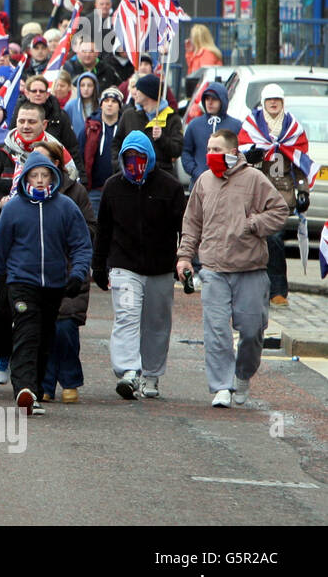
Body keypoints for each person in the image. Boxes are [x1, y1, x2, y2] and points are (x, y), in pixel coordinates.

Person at [176, 129, 289, 408]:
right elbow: (191, 224)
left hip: (250, 268)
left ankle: (242, 375)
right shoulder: (203, 181)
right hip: (214, 269)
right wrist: (184, 258)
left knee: (252, 331)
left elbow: (279, 212)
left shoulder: (254, 179)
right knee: (216, 331)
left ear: (232, 152)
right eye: (209, 149)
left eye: (217, 149)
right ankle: (222, 386)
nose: (211, 155)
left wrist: (253, 224)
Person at [0, 150, 92, 417]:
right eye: (35, 175)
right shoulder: (14, 208)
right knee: (26, 334)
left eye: (45, 175)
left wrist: (77, 274)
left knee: (44, 339)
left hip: (54, 285)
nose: (40, 180)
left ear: (53, 176)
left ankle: (37, 389)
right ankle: (24, 390)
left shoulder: (65, 207)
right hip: (21, 282)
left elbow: (81, 245)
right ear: (26, 177)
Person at [92, 130, 186, 401]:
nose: (134, 163)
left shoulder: (170, 187)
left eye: (140, 157)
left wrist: (185, 259)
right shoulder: (113, 186)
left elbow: (184, 228)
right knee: (127, 317)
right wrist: (99, 266)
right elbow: (104, 230)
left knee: (156, 323)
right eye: (129, 157)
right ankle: (128, 372)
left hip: (160, 267)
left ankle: (152, 374)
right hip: (125, 266)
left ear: (150, 157)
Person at [32, 141, 96, 405]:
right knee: (43, 328)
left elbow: (90, 229)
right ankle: (45, 383)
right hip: (39, 270)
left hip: (71, 269)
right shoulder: (26, 192)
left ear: (55, 165)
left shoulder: (75, 191)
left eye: (42, 162)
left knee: (65, 326)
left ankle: (70, 379)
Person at [239, 84, 314, 307]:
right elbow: (239, 157)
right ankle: (257, 289)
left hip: (283, 195)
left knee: (274, 239)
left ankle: (278, 290)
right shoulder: (251, 126)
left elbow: (301, 162)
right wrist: (249, 155)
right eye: (269, 99)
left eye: (277, 100)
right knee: (256, 241)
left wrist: (303, 191)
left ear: (283, 102)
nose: (273, 103)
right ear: (263, 102)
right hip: (257, 193)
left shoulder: (293, 129)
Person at [12, 74, 83, 182]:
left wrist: (82, 178)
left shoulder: (60, 116)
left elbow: (72, 147)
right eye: (34, 91)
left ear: (47, 94)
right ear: (27, 93)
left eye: (41, 91)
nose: (38, 94)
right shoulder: (17, 113)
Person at [112, 73, 183, 176]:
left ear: (148, 93)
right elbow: (116, 144)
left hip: (160, 177)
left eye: (139, 89)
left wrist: (161, 138)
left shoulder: (171, 117)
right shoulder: (129, 115)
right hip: (131, 176)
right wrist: (120, 168)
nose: (135, 93)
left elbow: (177, 150)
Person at [76, 88, 124, 213]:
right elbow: (79, 155)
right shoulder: (89, 129)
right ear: (101, 104)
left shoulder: (124, 129)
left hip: (120, 190)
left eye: (114, 101)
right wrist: (84, 181)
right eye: (106, 100)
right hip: (94, 190)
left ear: (119, 106)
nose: (109, 104)